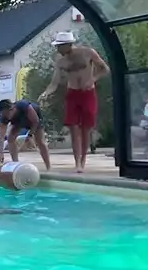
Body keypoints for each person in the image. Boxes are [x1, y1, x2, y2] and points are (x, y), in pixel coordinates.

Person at [38, 31, 110, 173]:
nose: (57, 49)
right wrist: (45, 94)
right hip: (73, 93)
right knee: (73, 128)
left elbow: (105, 69)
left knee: (86, 128)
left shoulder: (87, 53)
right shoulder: (61, 61)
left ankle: (83, 161)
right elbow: (55, 82)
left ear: (68, 45)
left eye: (59, 46)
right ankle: (77, 162)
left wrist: (92, 79)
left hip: (88, 93)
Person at [0, 98, 52, 171]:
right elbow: (1, 137)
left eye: (7, 114)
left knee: (40, 142)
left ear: (12, 109)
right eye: (4, 115)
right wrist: (0, 153)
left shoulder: (24, 106)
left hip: (34, 119)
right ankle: (16, 164)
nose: (7, 117)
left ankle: (48, 167)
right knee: (10, 139)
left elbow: (35, 121)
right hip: (19, 122)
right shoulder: (4, 117)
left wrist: (30, 135)